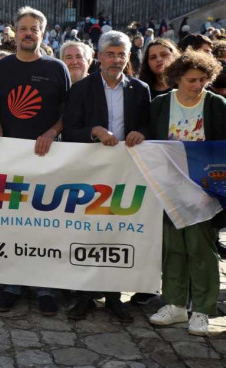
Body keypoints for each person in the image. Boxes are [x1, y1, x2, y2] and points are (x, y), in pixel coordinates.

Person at [0, 6, 71, 315]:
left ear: (42, 34)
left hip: (47, 158)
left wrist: (52, 131)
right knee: (12, 223)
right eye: (23, 28)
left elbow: (67, 112)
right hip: (8, 157)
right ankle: (12, 283)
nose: (28, 33)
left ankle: (44, 285)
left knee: (44, 224)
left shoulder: (56, 67)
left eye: (35, 28)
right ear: (15, 31)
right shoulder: (1, 68)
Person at [62, 31, 151, 322]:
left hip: (125, 174)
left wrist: (142, 134)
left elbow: (149, 126)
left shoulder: (139, 89)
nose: (116, 60)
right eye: (110, 54)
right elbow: (70, 131)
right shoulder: (81, 89)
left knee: (117, 233)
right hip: (91, 173)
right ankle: (86, 294)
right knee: (88, 233)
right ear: (99, 57)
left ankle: (113, 295)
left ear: (128, 56)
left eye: (121, 54)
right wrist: (95, 131)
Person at [144, 50, 225, 336]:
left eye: (203, 79)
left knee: (201, 249)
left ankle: (202, 310)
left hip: (204, 190)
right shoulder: (160, 104)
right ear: (177, 77)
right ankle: (176, 304)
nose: (197, 85)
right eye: (191, 80)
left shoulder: (217, 105)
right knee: (173, 248)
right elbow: (149, 137)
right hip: (169, 188)